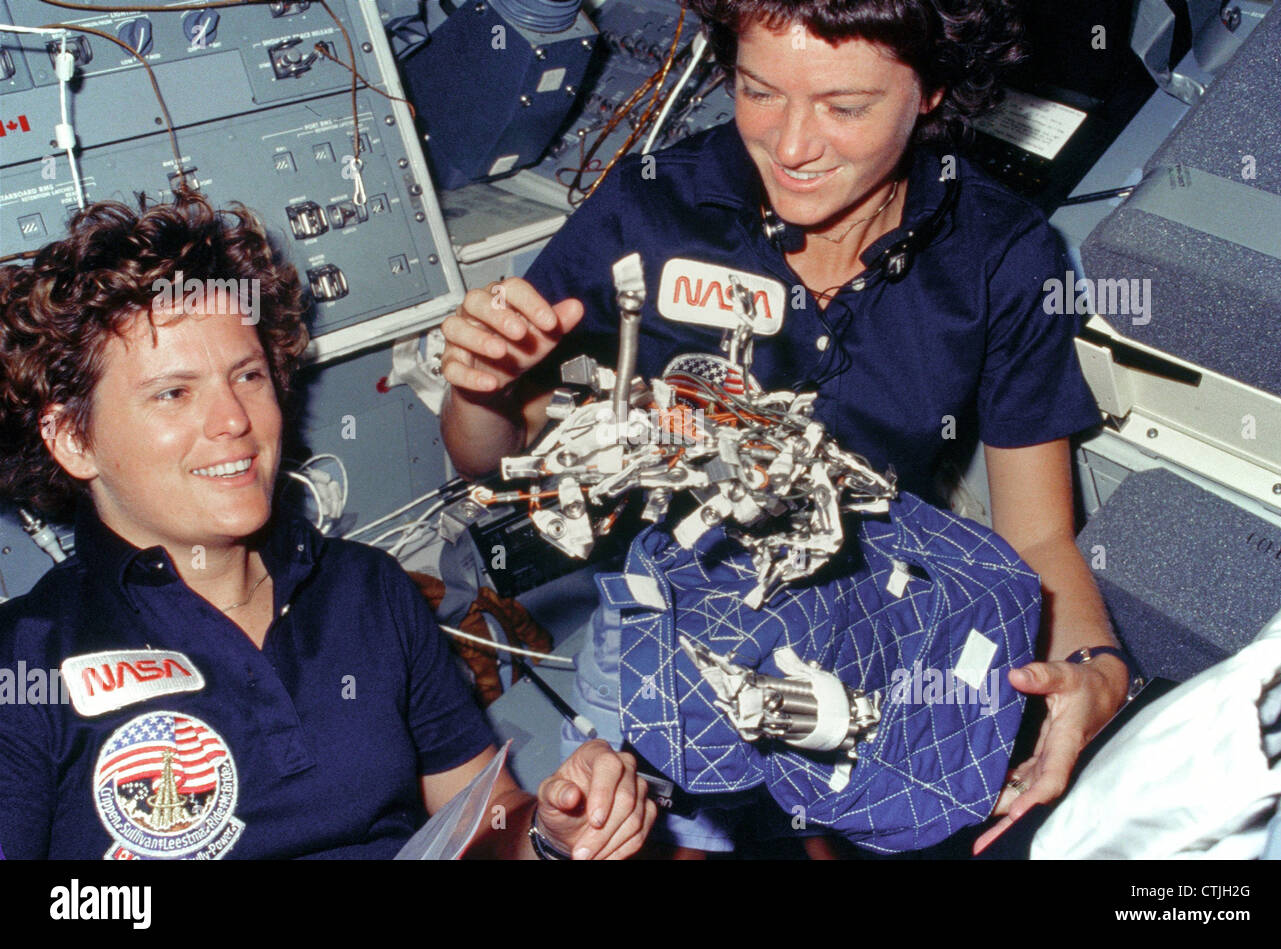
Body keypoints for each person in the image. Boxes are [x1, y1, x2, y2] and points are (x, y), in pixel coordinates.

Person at [437, 0, 1133, 855]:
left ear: (935, 92)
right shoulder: (651, 211)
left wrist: (1100, 675)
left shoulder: (1001, 254)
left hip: (874, 634)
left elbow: (1037, 540)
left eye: (845, 108)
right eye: (759, 92)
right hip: (667, 647)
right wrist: (483, 391)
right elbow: (493, 462)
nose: (793, 146)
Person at [0, 193, 654, 860]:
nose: (234, 420)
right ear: (71, 438)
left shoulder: (365, 589)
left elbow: (484, 817)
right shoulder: (25, 659)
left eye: (248, 375)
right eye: (174, 392)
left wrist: (551, 832)